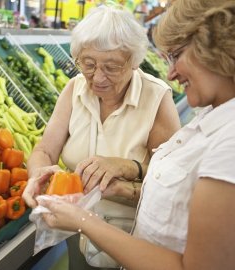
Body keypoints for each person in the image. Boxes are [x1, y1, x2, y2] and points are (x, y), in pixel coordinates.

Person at [38, 0, 235, 269]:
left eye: (176, 55)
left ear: (215, 50)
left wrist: (82, 219)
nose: (171, 72)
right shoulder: (211, 118)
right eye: (89, 64)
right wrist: (120, 188)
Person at [22, 4, 180, 269]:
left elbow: (172, 183)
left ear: (134, 61)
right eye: (88, 64)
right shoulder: (75, 89)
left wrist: (128, 167)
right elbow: (45, 151)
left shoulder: (156, 97)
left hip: (132, 240)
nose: (97, 77)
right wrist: (37, 174)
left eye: (112, 66)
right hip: (75, 232)